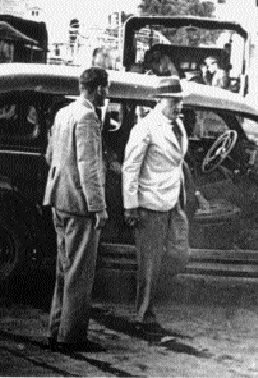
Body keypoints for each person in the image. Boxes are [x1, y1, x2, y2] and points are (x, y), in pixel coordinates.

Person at [43, 67, 109, 352]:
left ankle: (55, 329)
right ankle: (72, 337)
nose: (107, 94)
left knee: (63, 269)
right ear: (98, 89)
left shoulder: (63, 113)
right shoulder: (88, 117)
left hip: (58, 199)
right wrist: (98, 207)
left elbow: (50, 156)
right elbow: (89, 167)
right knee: (80, 273)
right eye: (106, 89)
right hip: (80, 206)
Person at [123, 76, 190, 331]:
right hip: (150, 204)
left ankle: (151, 306)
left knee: (178, 254)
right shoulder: (146, 127)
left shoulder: (178, 126)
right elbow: (131, 168)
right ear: (160, 101)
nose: (179, 106)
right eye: (174, 101)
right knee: (149, 264)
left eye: (180, 101)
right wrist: (131, 206)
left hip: (173, 201)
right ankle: (144, 314)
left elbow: (178, 164)